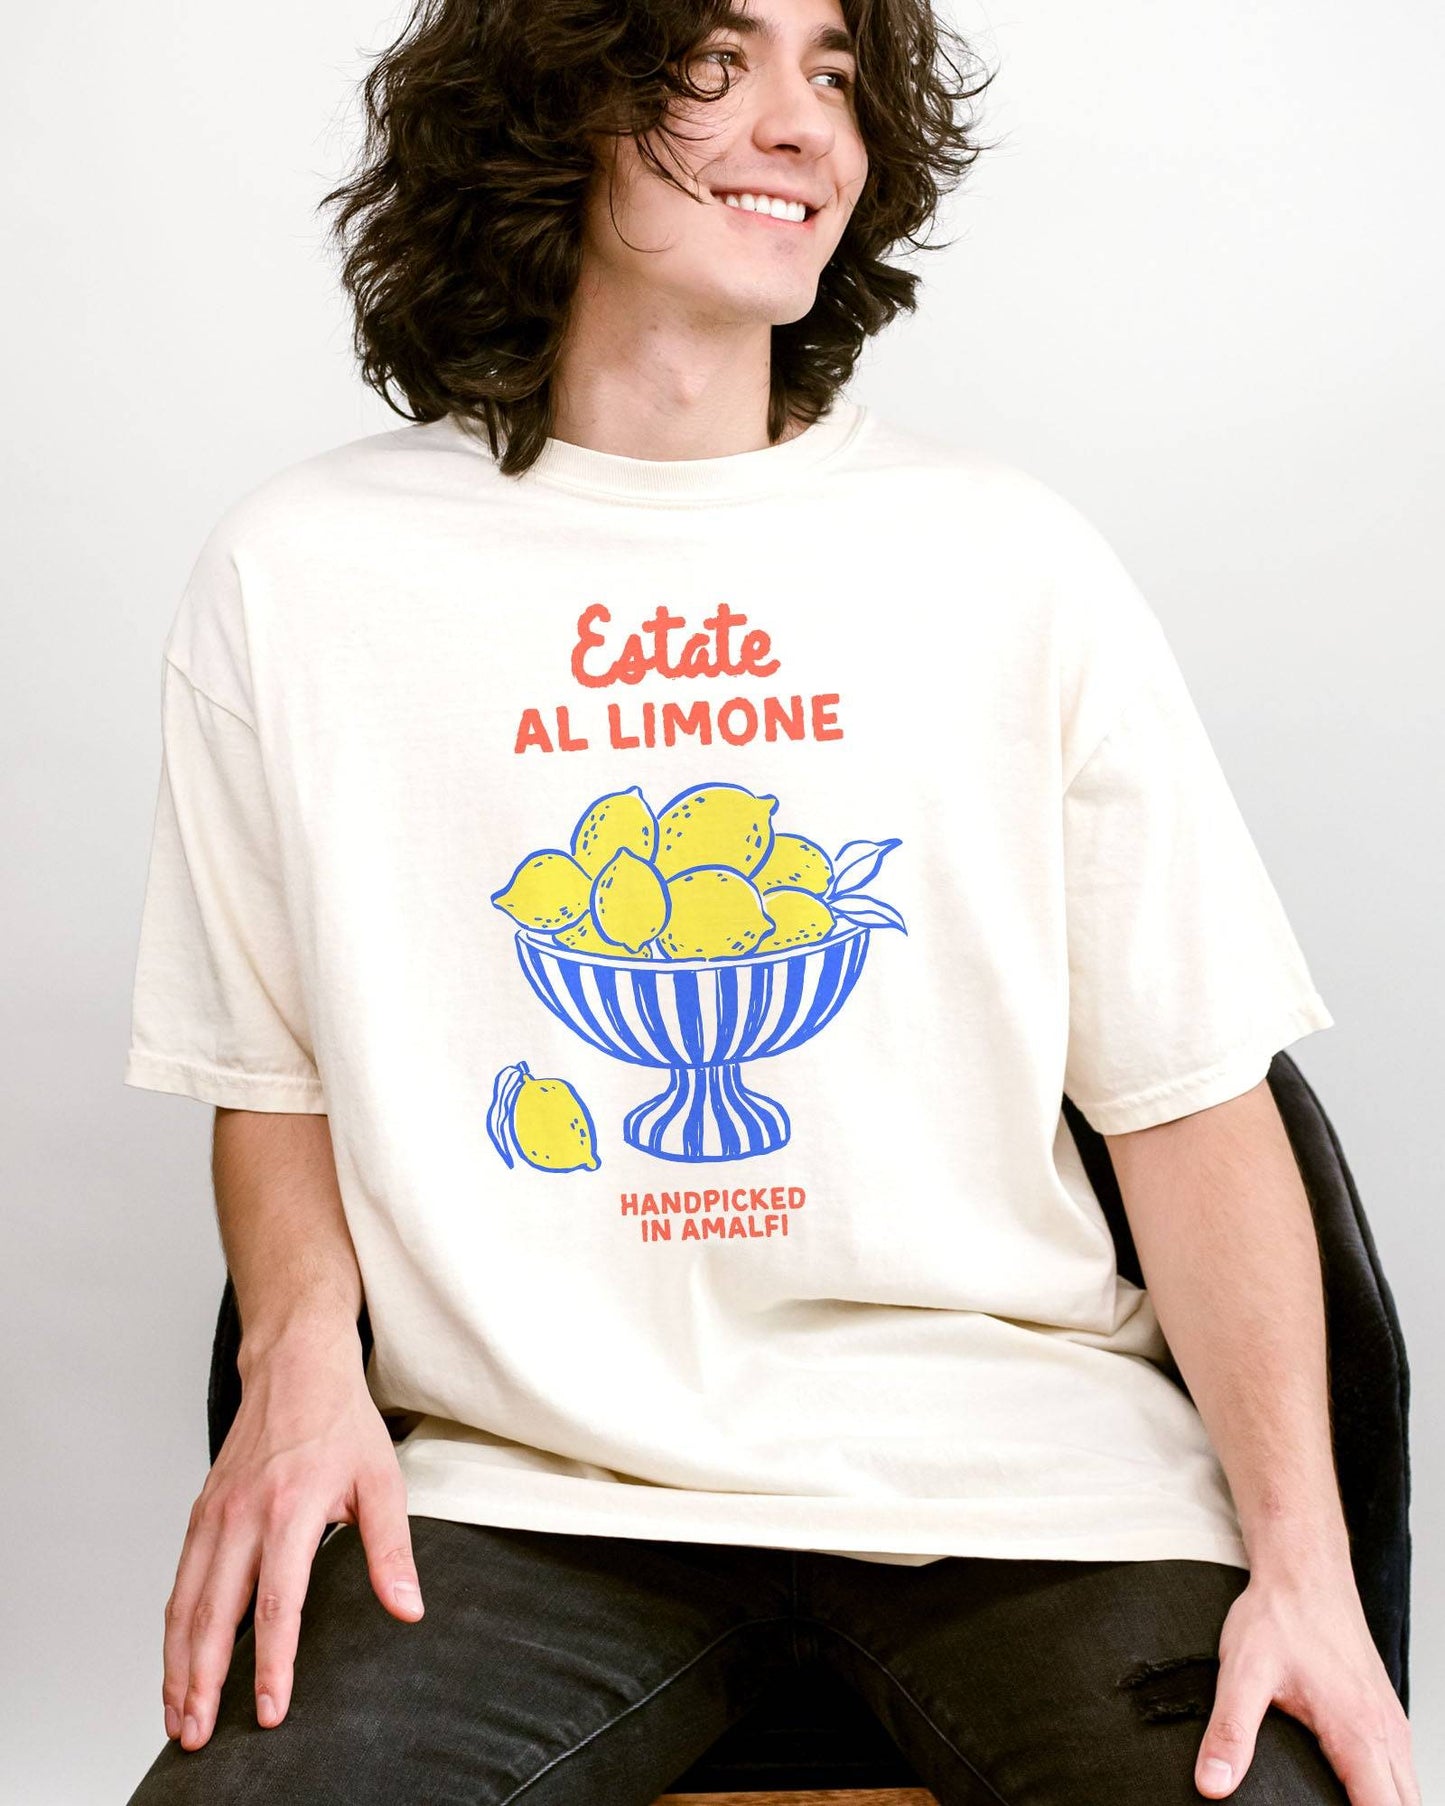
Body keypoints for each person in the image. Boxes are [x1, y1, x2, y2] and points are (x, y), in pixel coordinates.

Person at [120, 0, 1418, 1801]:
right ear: (550, 105)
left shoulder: (1008, 562)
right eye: (717, 62)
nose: (801, 125)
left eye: (833, 72)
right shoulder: (302, 578)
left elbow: (1191, 1102)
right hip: (519, 1495)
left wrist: (1307, 1563)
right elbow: (274, 1070)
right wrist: (293, 1366)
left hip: (1032, 1488)